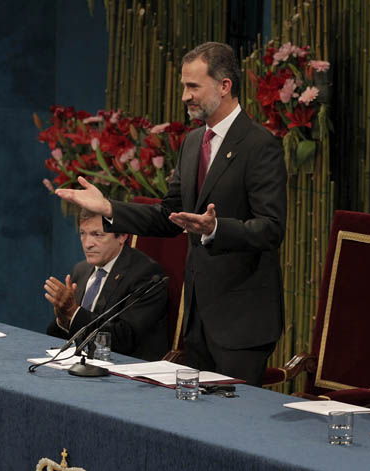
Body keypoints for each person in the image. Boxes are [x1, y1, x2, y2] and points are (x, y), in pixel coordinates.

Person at [55, 42, 286, 386]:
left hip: (241, 323)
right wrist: (108, 208)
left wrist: (215, 228)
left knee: (231, 427)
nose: (184, 96)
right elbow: (168, 216)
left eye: (193, 86)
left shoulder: (259, 145)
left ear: (224, 86)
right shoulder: (193, 143)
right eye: (183, 86)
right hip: (196, 322)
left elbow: (271, 228)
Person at [44, 209, 169, 361]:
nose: (88, 244)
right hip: (80, 363)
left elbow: (125, 339)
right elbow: (59, 336)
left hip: (125, 369)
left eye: (97, 234)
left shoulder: (146, 274)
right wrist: (64, 319)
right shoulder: (81, 270)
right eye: (83, 233)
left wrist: (73, 311)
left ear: (122, 236)